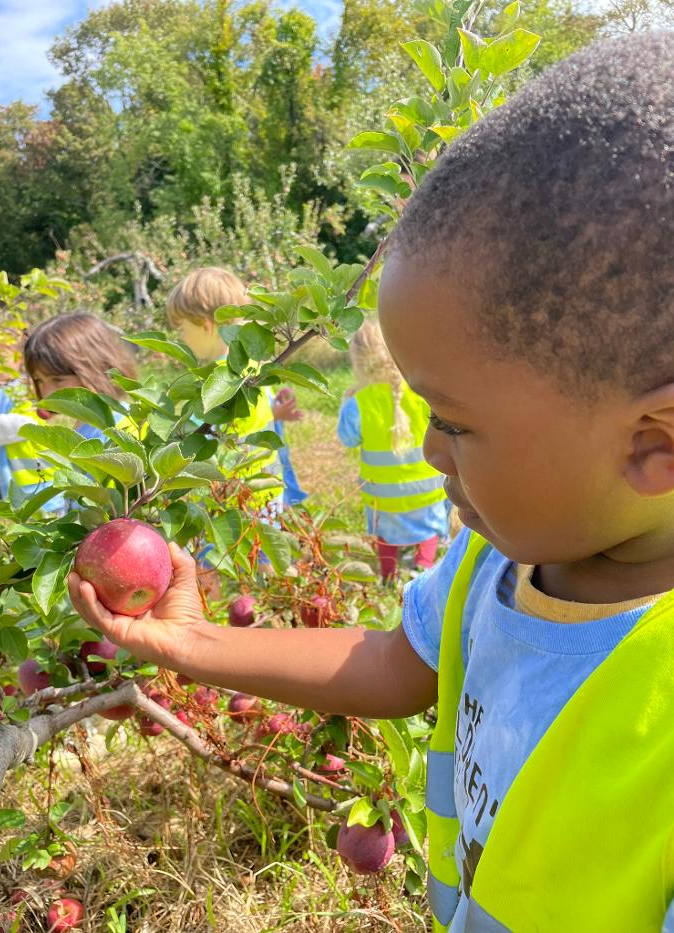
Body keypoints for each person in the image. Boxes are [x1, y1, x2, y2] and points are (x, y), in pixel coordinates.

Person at [69, 34, 674, 931]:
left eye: (456, 421)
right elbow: (395, 664)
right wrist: (196, 646)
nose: (430, 450)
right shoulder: (489, 567)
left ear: (654, 442)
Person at [166, 266, 307, 511]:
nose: (181, 337)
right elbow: (251, 419)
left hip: (233, 497)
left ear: (206, 325)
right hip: (266, 491)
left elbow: (202, 437)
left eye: (182, 328)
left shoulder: (217, 380)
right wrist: (276, 411)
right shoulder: (255, 365)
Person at [0, 313, 138, 512]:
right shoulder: (83, 424)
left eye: (57, 380)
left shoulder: (117, 426)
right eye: (40, 381)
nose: (47, 392)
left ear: (95, 368)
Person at [338, 318, 449, 580]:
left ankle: (388, 575)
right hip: (427, 492)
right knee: (429, 527)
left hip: (382, 497)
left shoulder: (360, 402)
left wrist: (345, 402)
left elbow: (347, 438)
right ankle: (423, 566)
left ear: (358, 361)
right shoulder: (420, 392)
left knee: (385, 534)